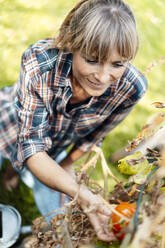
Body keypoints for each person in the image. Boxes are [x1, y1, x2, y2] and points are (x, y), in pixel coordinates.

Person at [0, 0, 148, 242]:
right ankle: (11, 171)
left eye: (117, 64)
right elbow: (32, 146)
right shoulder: (39, 63)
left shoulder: (132, 89)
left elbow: (94, 137)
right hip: (10, 124)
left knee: (65, 230)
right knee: (17, 157)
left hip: (55, 147)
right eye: (91, 60)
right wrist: (81, 193)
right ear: (71, 43)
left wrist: (67, 165)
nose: (102, 77)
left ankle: (15, 172)